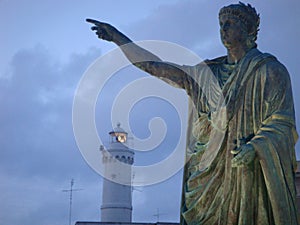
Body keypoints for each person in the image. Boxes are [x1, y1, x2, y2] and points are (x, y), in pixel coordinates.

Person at [87, 2, 299, 225]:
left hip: (244, 172)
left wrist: (254, 147)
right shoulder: (206, 74)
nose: (223, 29)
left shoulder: (271, 71)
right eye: (220, 24)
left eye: (230, 24)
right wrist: (119, 39)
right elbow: (156, 66)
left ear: (248, 30)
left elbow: (282, 122)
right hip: (205, 171)